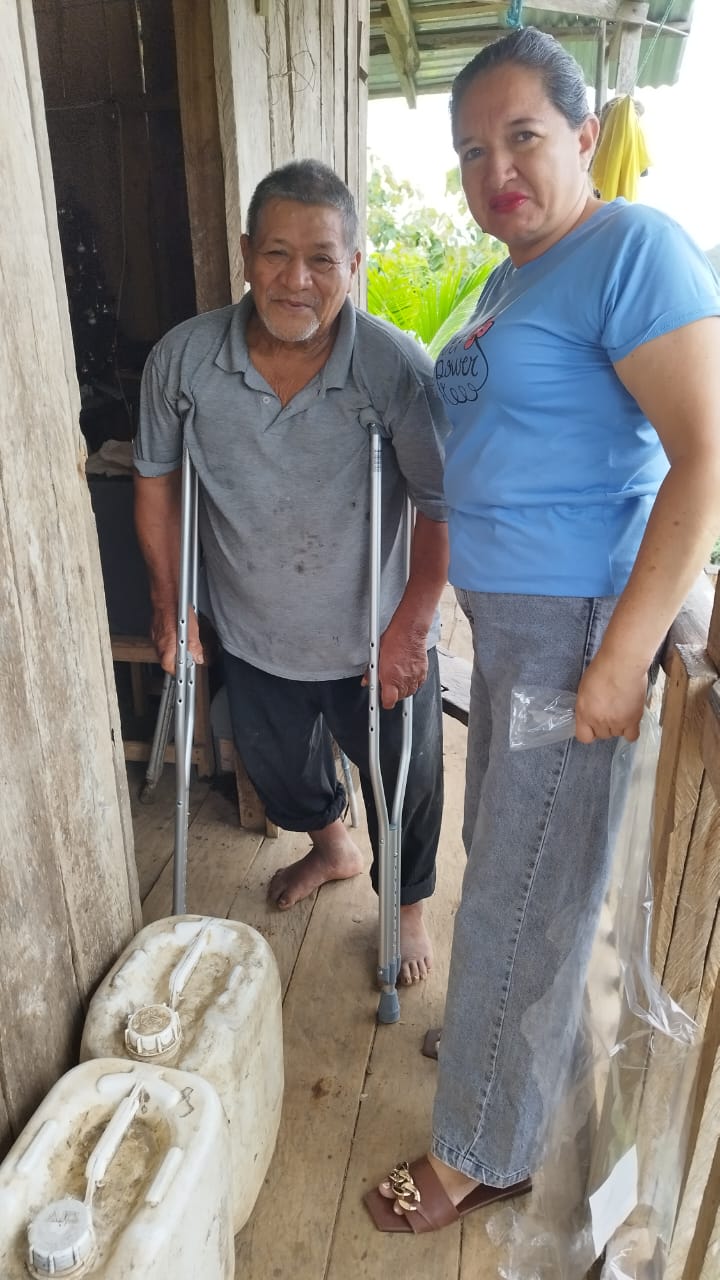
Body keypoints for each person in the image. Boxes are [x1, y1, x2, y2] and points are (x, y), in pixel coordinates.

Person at [366, 26, 720, 1232]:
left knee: (520, 891)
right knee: (515, 866)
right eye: (472, 151)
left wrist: (621, 654)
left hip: (575, 629)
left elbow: (703, 456)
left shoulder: (631, 248)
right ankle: (507, 1064)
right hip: (514, 628)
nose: (495, 169)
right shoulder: (514, 278)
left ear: (583, 133)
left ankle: (482, 1148)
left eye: (521, 136)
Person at [133, 160, 450, 986]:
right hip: (253, 625)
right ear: (246, 253)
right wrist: (171, 605)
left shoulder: (394, 369)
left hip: (372, 636)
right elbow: (157, 485)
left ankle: (406, 905)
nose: (296, 279)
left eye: (321, 258)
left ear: (354, 265)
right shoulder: (184, 360)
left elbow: (442, 504)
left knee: (404, 778)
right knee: (275, 766)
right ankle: (333, 846)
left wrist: (413, 627)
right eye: (276, 254)